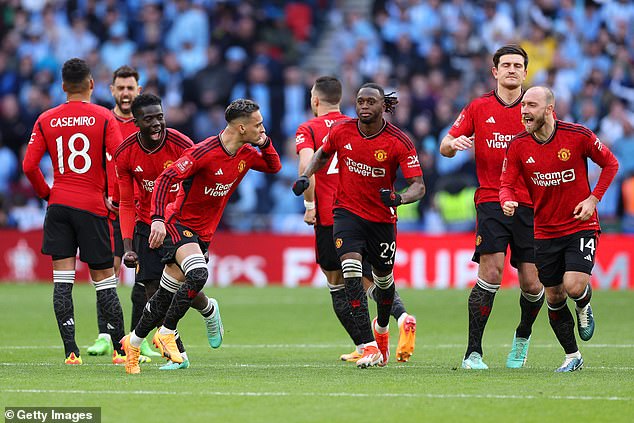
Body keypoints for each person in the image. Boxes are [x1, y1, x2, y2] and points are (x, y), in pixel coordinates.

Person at [121, 98, 281, 374]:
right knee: (198, 274)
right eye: (258, 125)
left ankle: (133, 345)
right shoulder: (203, 152)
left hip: (203, 233)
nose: (262, 129)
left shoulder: (246, 153)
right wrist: (158, 219)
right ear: (242, 128)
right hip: (177, 223)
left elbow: (273, 166)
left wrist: (265, 143)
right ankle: (168, 332)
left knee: (162, 295)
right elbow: (165, 179)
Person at [293, 83, 425, 368]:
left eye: (370, 102)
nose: (364, 106)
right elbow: (322, 154)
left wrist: (398, 198)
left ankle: (382, 332)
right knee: (351, 270)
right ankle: (368, 346)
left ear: (382, 107)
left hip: (381, 219)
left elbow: (419, 186)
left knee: (383, 281)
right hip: (345, 213)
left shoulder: (398, 141)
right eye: (360, 101)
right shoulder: (342, 130)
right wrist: (306, 176)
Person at [439, 45, 545, 370]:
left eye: (518, 65)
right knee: (491, 273)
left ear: (525, 72)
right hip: (491, 199)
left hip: (530, 204)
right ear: (495, 72)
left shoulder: (537, 109)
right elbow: (444, 145)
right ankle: (473, 353)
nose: (512, 70)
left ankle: (522, 336)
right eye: (506, 65)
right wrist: (452, 145)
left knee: (532, 283)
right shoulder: (477, 107)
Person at [500, 86, 619, 372]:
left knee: (574, 286)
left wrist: (593, 199)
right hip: (544, 231)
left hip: (580, 224)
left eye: (531, 105)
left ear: (549, 110)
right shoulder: (518, 145)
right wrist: (507, 199)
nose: (524, 110)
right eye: (523, 105)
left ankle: (583, 304)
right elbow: (506, 183)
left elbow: (610, 164)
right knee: (553, 296)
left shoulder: (578, 136)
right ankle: (572, 356)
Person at [22, 58, 126, 365]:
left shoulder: (46, 118)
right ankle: (121, 352)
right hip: (92, 206)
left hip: (60, 205)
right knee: (105, 281)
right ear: (91, 84)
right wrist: (115, 199)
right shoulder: (104, 117)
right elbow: (117, 163)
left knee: (62, 281)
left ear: (64, 86)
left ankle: (71, 352)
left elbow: (29, 166)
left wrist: (47, 194)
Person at [115, 93, 223, 370]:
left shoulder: (182, 144)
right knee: (154, 291)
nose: (156, 124)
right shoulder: (125, 153)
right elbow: (126, 202)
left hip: (177, 223)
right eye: (148, 119)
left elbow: (195, 189)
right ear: (136, 121)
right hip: (144, 224)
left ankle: (208, 309)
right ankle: (179, 354)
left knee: (185, 281)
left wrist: (165, 219)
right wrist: (128, 246)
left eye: (160, 117)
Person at [86, 65, 161, 359]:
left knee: (143, 278)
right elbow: (91, 164)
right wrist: (100, 194)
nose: (126, 93)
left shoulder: (146, 125)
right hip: (108, 210)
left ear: (138, 91)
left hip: (140, 213)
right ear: (112, 90)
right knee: (108, 272)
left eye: (131, 88)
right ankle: (105, 335)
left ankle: (137, 338)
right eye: (121, 88)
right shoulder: (103, 122)